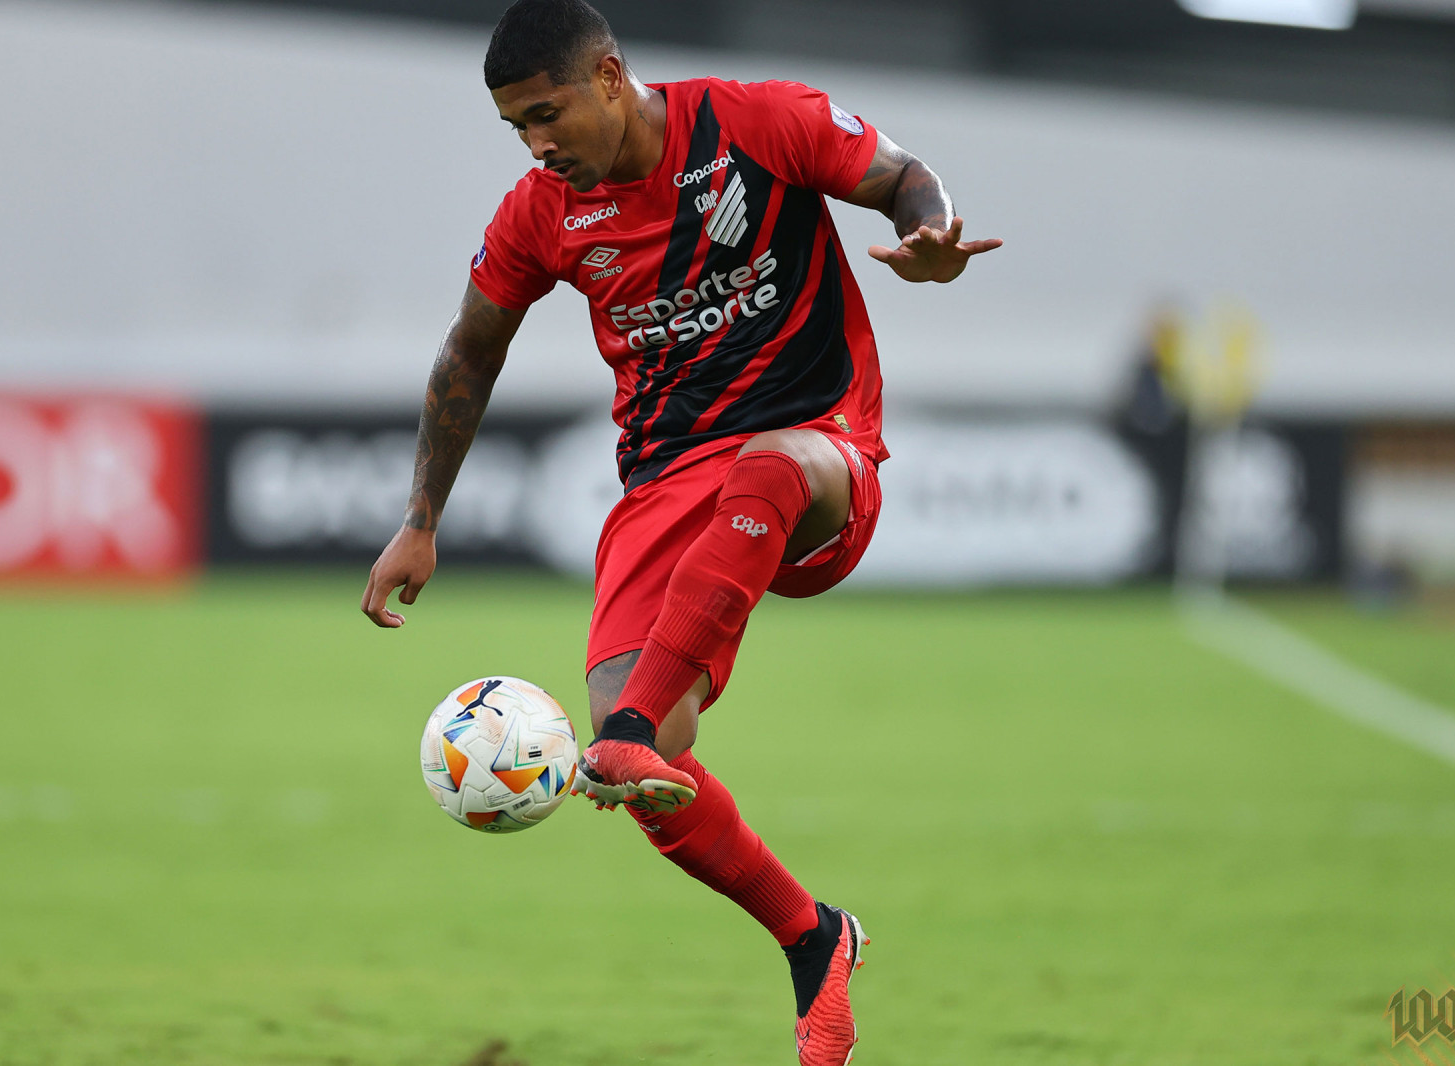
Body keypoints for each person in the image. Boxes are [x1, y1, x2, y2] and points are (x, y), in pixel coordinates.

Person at [359, 2, 1001, 1061]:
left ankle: (634, 719)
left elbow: (901, 177)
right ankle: (814, 937)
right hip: (664, 486)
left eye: (546, 113)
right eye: (517, 127)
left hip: (819, 442)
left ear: (609, 75)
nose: (536, 144)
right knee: (644, 769)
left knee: (755, 496)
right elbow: (467, 356)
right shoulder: (539, 214)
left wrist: (927, 235)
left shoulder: (759, 125)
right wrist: (421, 519)